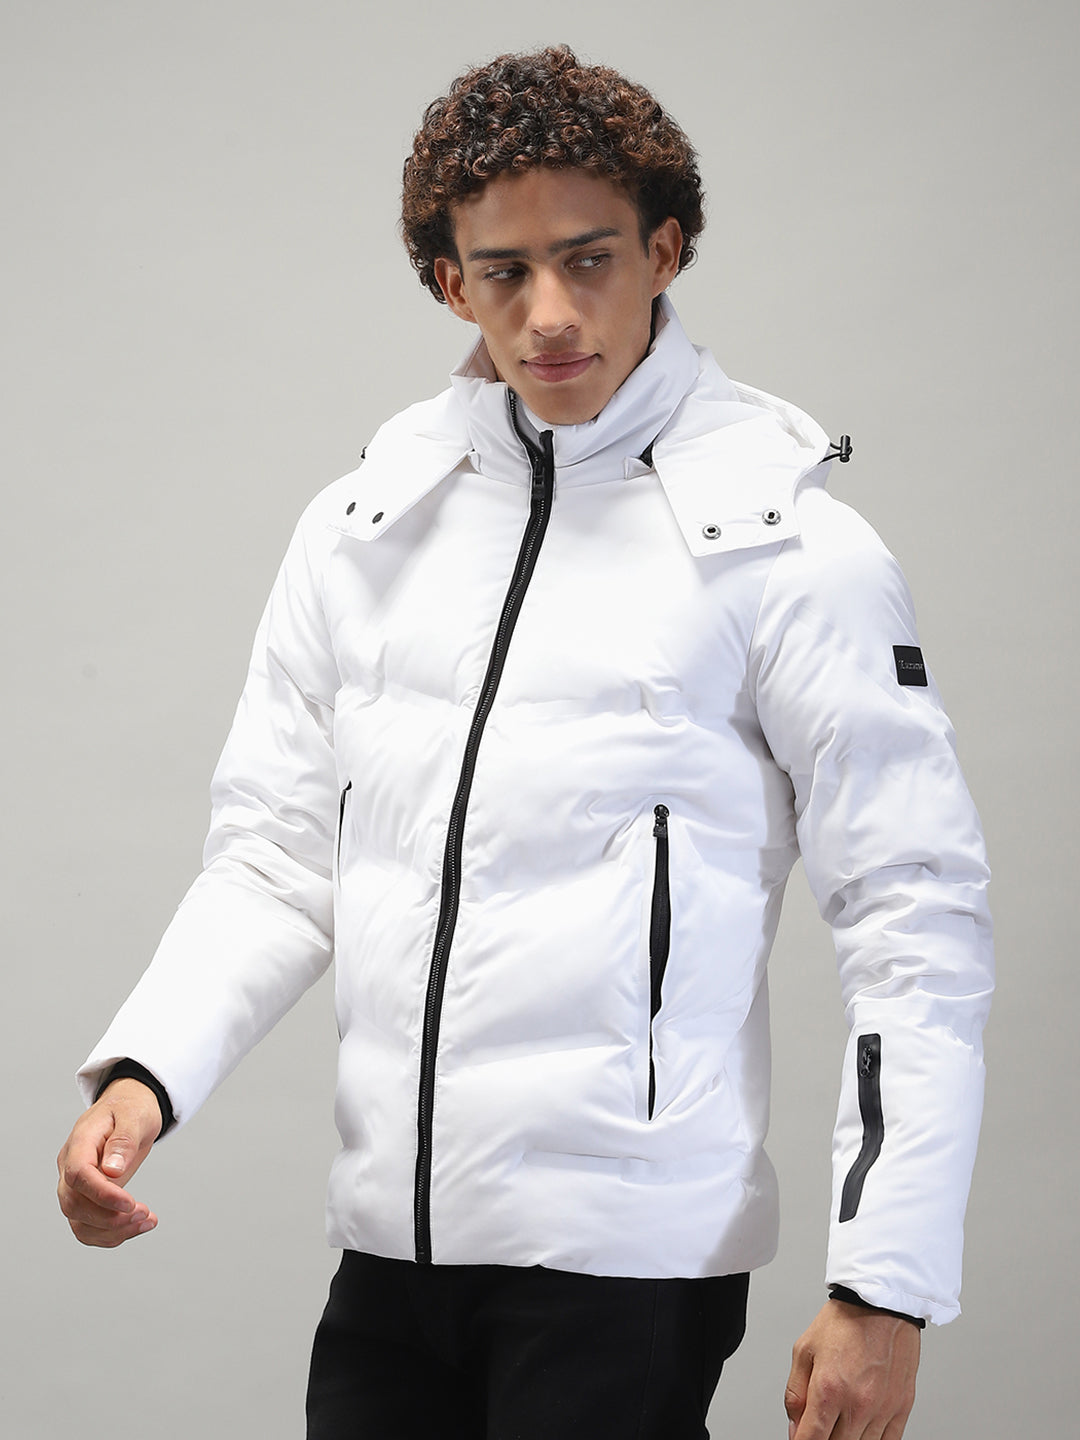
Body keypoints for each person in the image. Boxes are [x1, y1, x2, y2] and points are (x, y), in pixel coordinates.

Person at [57, 45, 993, 1440]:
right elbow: (273, 861)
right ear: (451, 282)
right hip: (394, 1251)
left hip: (631, 1266)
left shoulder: (793, 551)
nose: (550, 314)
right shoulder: (365, 526)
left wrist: (886, 1282)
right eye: (504, 272)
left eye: (590, 259)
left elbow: (914, 919)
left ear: (665, 250)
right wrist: (146, 1076)